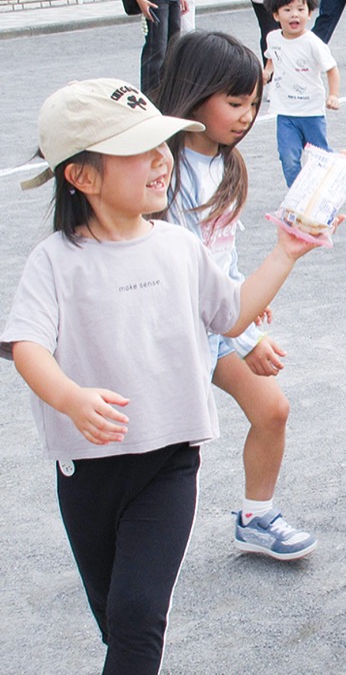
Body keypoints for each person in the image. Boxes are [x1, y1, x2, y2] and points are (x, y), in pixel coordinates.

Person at [0, 78, 327, 675]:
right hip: (87, 472)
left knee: (138, 613)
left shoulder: (178, 245)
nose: (161, 161)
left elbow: (230, 313)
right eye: (139, 150)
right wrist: (70, 398)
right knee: (115, 618)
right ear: (83, 177)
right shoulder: (54, 262)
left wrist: (284, 253)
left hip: (168, 462)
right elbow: (27, 346)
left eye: (163, 146)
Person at [153, 30, 317, 561]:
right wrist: (245, 336)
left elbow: (219, 253)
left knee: (272, 410)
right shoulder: (167, 172)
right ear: (193, 92)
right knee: (169, 447)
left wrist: (248, 291)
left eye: (253, 103)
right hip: (182, 328)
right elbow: (190, 276)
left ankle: (256, 517)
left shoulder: (225, 162)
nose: (246, 115)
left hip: (221, 320)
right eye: (235, 102)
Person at [262, 0, 340, 185]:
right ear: (276, 15)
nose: (294, 15)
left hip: (311, 112)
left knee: (320, 157)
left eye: (300, 9)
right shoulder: (273, 38)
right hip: (285, 112)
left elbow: (332, 69)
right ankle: (297, 198)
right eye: (287, 10)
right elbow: (272, 56)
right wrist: (267, 71)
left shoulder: (313, 43)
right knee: (288, 159)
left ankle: (332, 177)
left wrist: (333, 95)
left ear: (309, 13)